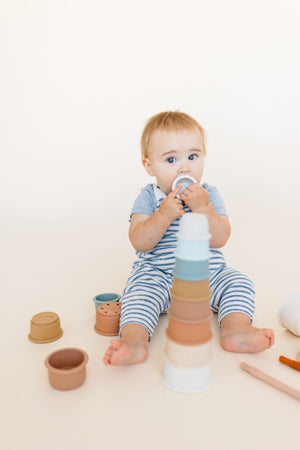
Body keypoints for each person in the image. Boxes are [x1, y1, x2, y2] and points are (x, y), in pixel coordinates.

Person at [103, 111, 274, 366]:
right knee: (137, 297)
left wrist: (203, 208)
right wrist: (163, 215)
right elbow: (139, 241)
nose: (185, 167)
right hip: (157, 275)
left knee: (238, 282)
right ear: (149, 166)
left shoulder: (209, 195)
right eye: (171, 159)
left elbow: (220, 238)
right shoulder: (149, 197)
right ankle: (134, 344)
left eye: (193, 157)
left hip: (207, 275)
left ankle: (235, 330)